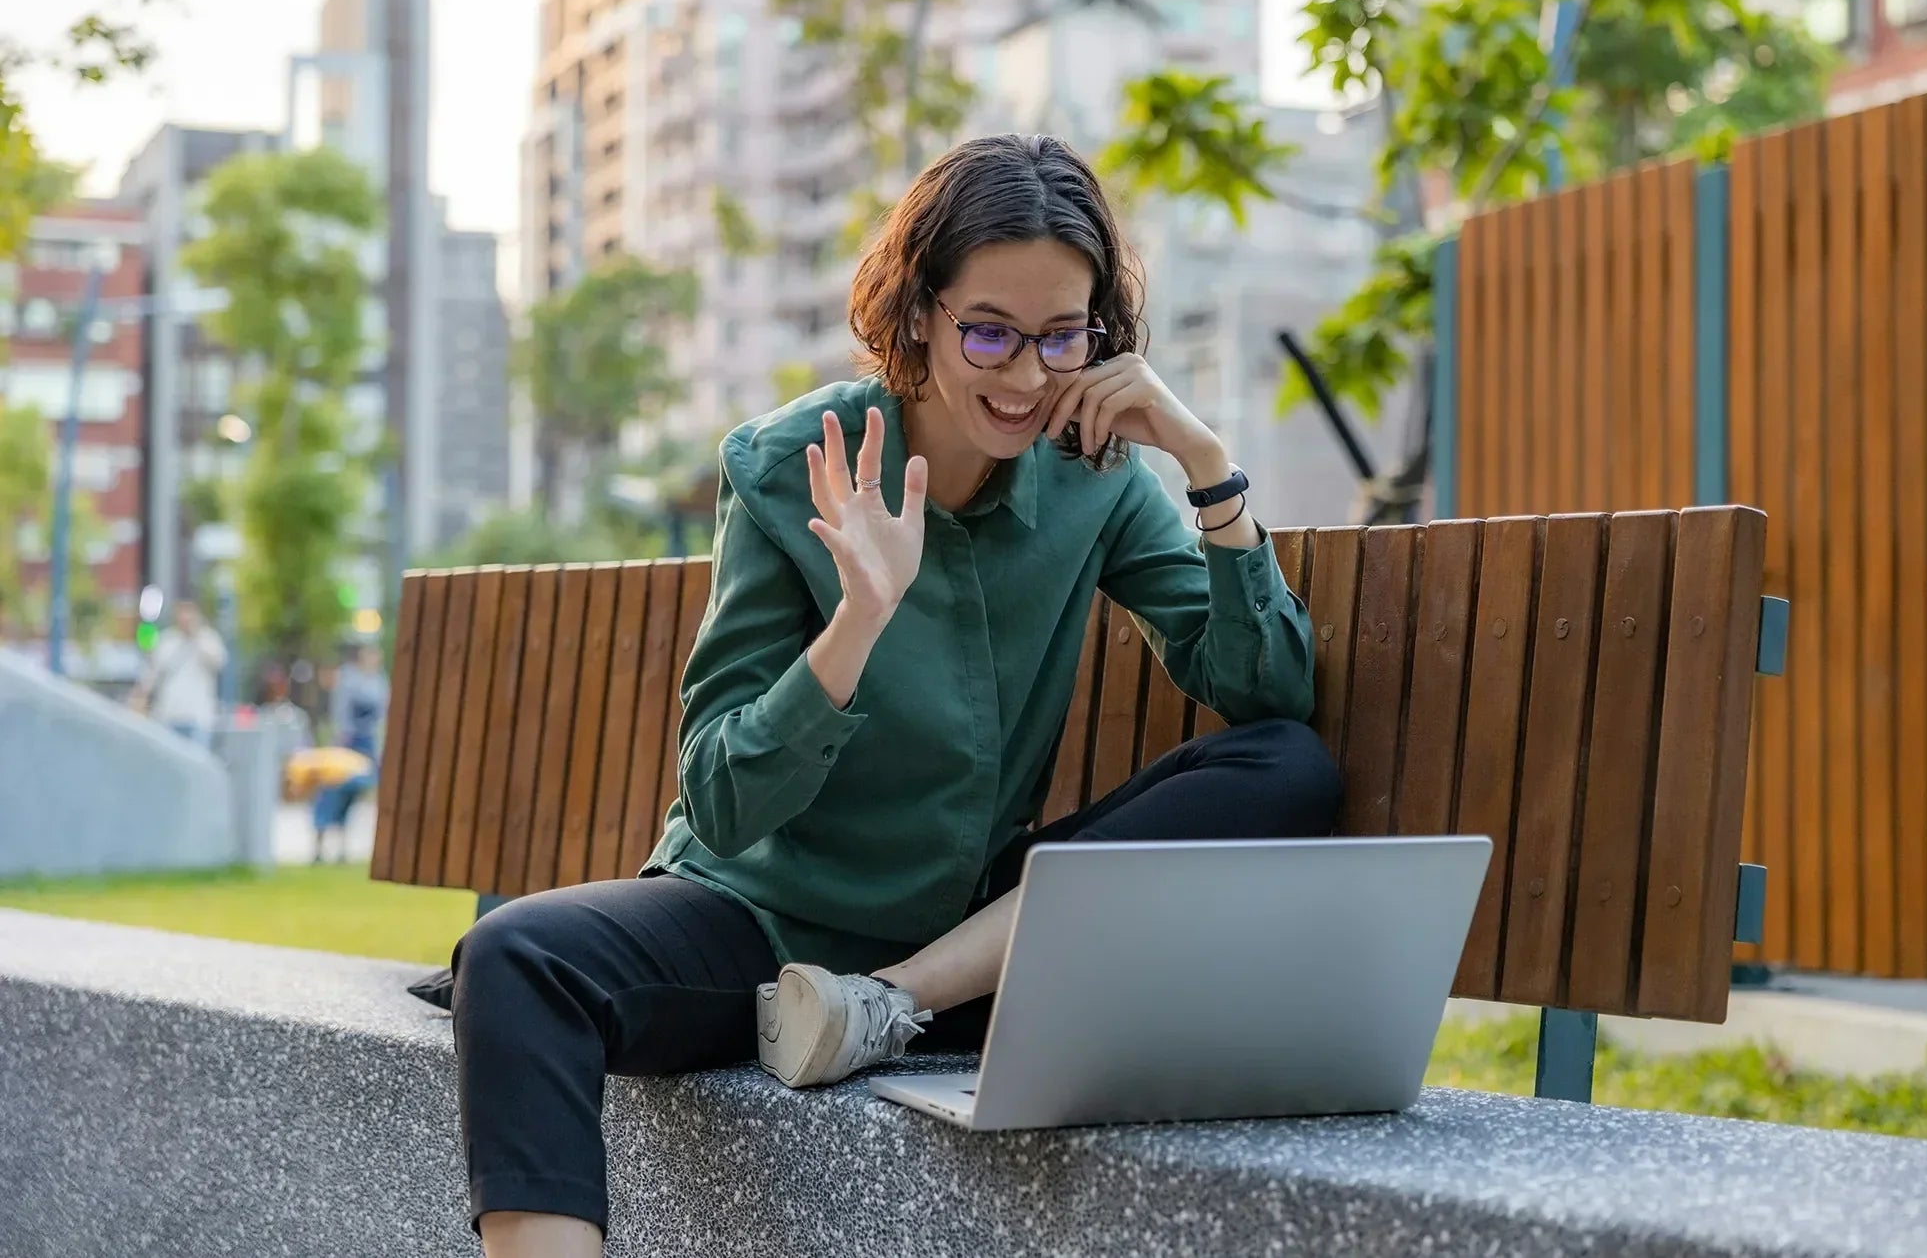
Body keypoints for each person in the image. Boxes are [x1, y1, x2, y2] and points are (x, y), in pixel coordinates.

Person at [447, 135, 1343, 1258]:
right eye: (988, 332)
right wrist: (855, 622)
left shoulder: (1094, 474)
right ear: (918, 311)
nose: (1024, 377)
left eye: (1061, 336)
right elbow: (722, 802)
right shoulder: (788, 464)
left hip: (965, 947)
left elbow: (1267, 692)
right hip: (763, 928)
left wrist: (1203, 462)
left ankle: (884, 1001)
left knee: (1287, 769)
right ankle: (858, 1003)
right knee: (518, 959)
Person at [306, 644, 388, 862]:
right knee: (331, 793)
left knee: (351, 797)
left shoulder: (379, 682)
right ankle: (319, 846)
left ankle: (342, 846)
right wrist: (340, 742)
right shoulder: (349, 680)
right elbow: (340, 715)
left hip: (366, 745)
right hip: (347, 744)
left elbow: (382, 717)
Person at [132, 599, 225, 748]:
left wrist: (195, 634)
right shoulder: (166, 641)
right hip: (168, 715)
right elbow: (150, 675)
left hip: (198, 717)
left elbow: (217, 662)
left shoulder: (207, 638)